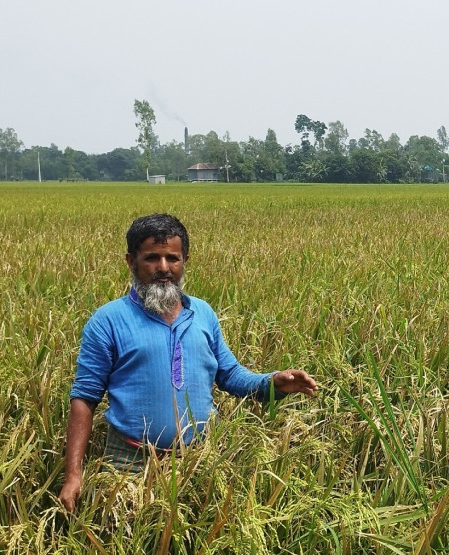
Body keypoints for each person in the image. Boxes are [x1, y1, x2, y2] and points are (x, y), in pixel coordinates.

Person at [59, 213, 318, 511]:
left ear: (185, 260)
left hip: (201, 460)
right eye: (152, 258)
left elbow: (229, 374)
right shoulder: (107, 321)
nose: (163, 268)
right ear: (131, 262)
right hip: (127, 464)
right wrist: (73, 474)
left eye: (173, 258)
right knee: (123, 545)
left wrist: (272, 382)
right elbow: (85, 398)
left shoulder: (203, 314)